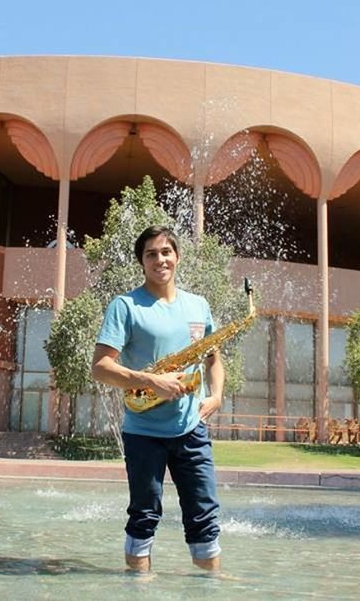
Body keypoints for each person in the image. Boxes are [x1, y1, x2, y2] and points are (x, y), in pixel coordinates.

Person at [91, 225, 224, 573]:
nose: (160, 259)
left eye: (166, 251)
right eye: (151, 253)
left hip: (191, 429)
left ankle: (209, 592)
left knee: (205, 517)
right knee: (144, 516)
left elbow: (213, 359)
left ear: (177, 257)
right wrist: (152, 381)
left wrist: (217, 395)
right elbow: (101, 368)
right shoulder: (125, 306)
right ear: (142, 262)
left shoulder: (199, 305)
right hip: (144, 431)